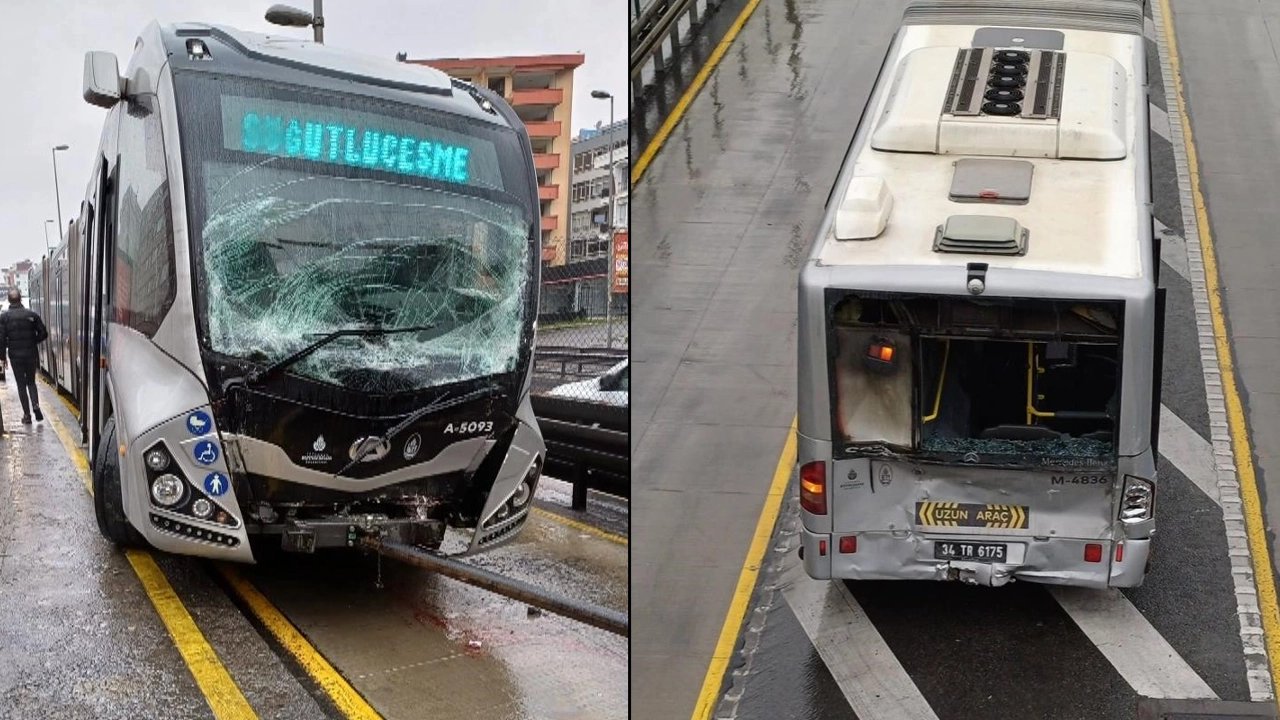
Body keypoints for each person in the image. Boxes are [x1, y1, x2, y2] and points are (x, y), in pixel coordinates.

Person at [0, 288, 49, 424]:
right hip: (31, 353)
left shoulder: (4, 318)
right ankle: (35, 405)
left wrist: (2, 358)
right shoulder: (32, 315)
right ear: (20, 298)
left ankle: (27, 415)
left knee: (21, 384)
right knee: (31, 382)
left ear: (9, 300)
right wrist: (33, 341)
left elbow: (1, 339)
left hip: (15, 356)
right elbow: (44, 333)